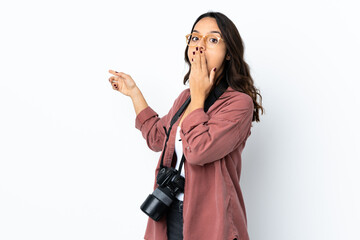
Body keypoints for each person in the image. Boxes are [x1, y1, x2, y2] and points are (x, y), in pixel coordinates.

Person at [108, 11, 264, 240]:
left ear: (229, 52)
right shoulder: (186, 98)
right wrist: (134, 93)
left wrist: (199, 96)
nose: (200, 46)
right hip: (169, 210)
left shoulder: (239, 103)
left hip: (211, 220)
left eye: (212, 39)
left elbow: (199, 151)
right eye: (194, 38)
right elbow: (157, 139)